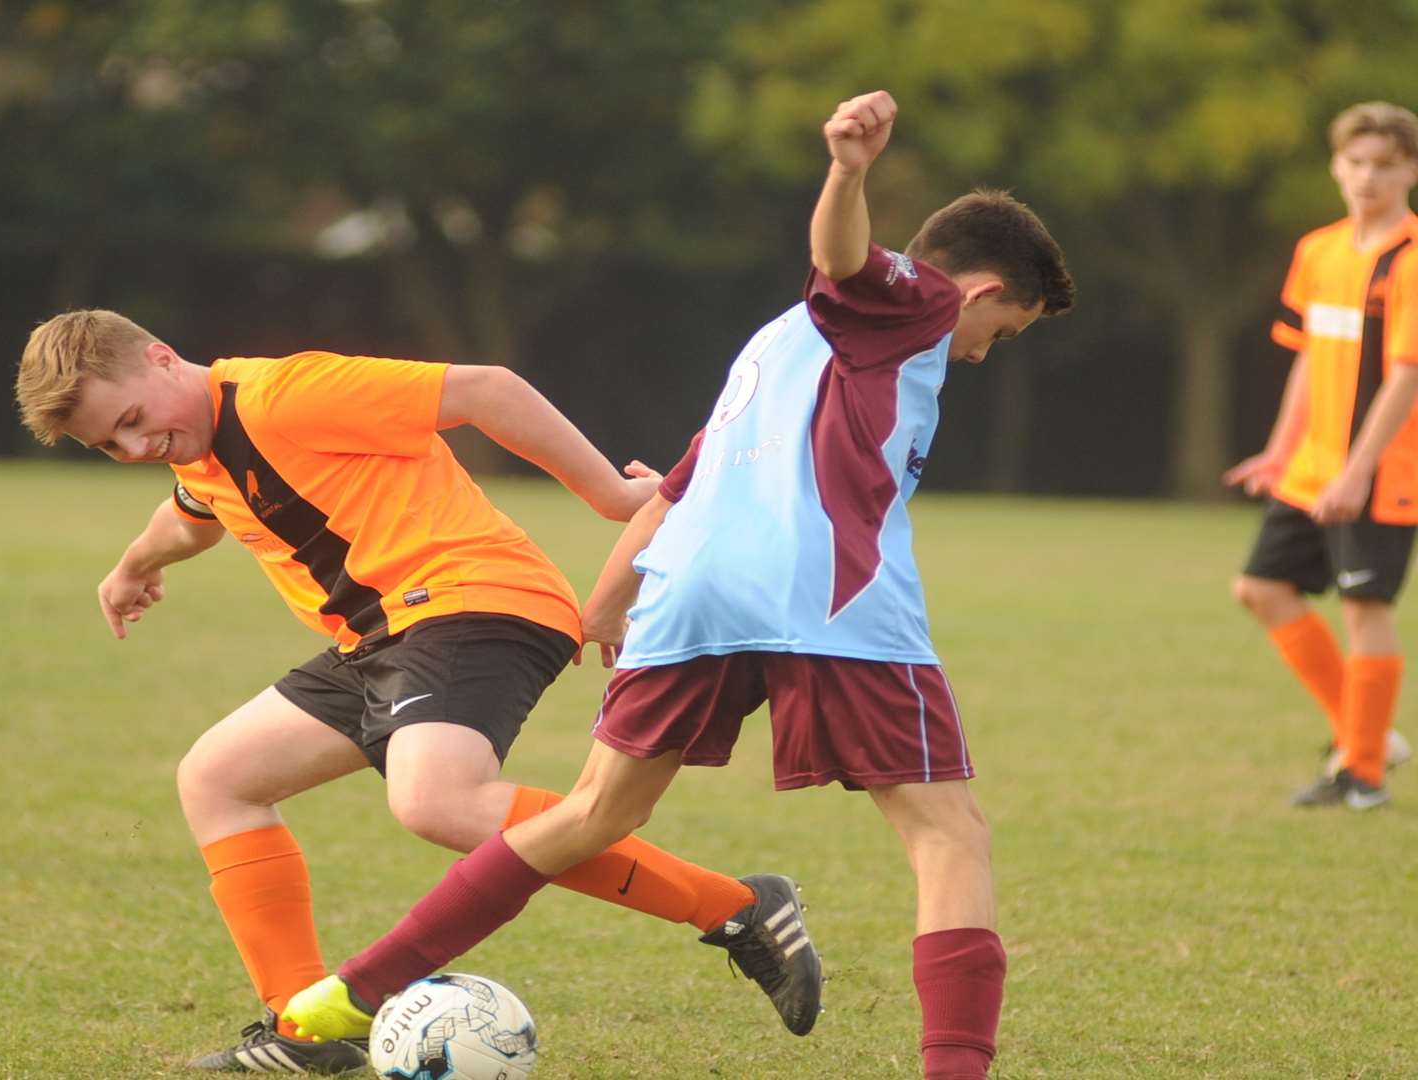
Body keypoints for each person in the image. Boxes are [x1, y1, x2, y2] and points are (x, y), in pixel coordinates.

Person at [281, 90, 1075, 1080]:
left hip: (689, 591)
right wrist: (846, 171)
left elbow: (682, 489)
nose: (984, 350)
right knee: (948, 835)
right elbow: (843, 256)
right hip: (822, 596)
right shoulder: (911, 301)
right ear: (980, 289)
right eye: (1004, 329)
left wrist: (603, 607)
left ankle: (348, 995)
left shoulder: (777, 342)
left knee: (589, 815)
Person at [13, 312, 822, 1073]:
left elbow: (487, 389)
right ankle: (300, 1026)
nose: (136, 443)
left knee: (436, 801)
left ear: (159, 357)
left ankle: (737, 907)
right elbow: (192, 515)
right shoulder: (198, 448)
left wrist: (616, 500)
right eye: (109, 445)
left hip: (474, 598)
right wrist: (134, 565)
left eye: (129, 419)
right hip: (377, 641)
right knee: (218, 778)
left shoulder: (286, 394)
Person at [1226, 101, 1418, 812]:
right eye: (1356, 162)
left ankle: (1361, 772)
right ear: (1337, 167)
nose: (1368, 176)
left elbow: (1406, 374)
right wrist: (1280, 452)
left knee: (1364, 604)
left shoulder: (1411, 260)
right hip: (1313, 468)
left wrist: (1358, 472)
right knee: (1261, 588)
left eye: (1385, 164)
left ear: (1411, 171)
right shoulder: (1319, 250)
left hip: (1381, 472)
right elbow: (1307, 357)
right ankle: (1364, 734)